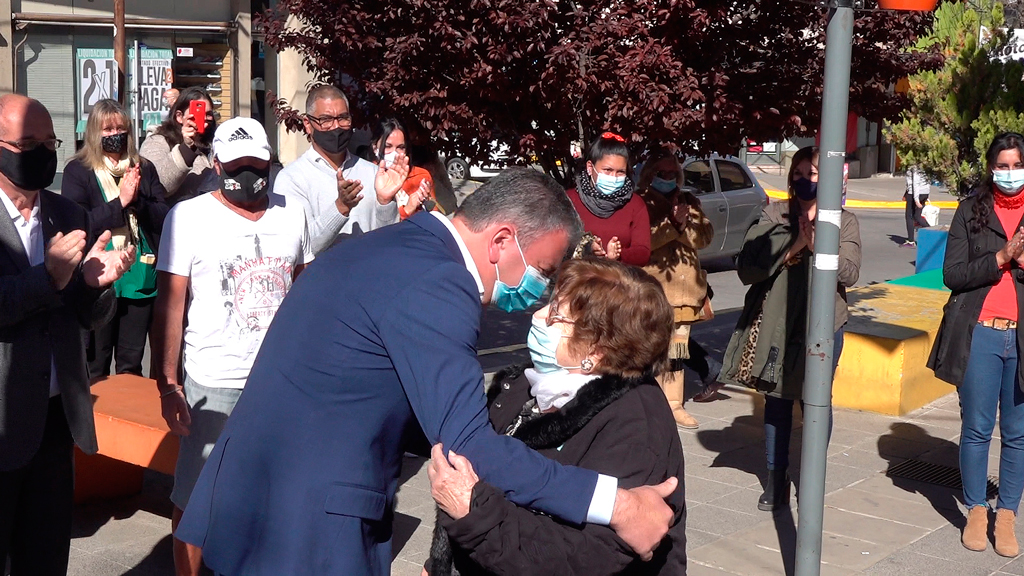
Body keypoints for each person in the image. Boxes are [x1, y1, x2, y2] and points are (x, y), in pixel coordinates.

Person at [175, 168, 677, 575]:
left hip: (255, 497)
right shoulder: (438, 283)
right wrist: (617, 504)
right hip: (304, 526)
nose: (538, 295)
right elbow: (468, 444)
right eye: (543, 271)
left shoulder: (397, 247)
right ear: (502, 240)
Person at [425, 257, 687, 576]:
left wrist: (474, 514)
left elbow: (585, 558)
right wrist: (439, 564)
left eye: (556, 316)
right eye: (549, 304)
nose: (537, 316)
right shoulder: (524, 382)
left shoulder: (636, 422)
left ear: (596, 352)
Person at [150, 117, 313, 576]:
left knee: (274, 492)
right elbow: (170, 307)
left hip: (280, 384)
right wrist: (167, 384)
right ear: (216, 163)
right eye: (238, 165)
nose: (248, 175)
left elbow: (304, 295)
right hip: (214, 383)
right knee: (196, 498)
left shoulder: (292, 213)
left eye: (257, 164)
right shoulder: (189, 217)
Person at [0, 94, 134, 575]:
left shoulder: (67, 214)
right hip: (3, 417)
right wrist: (49, 277)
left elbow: (86, 317)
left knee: (47, 556)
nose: (40, 152)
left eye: (48, 142)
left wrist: (97, 287)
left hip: (57, 420)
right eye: (26, 143)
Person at [718, 146, 861, 512]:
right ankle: (775, 476)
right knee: (777, 400)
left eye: (810, 174)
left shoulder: (842, 221)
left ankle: (811, 476)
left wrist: (820, 247)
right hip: (778, 324)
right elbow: (749, 268)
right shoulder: (773, 213)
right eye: (796, 173)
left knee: (815, 402)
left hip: (823, 325)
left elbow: (850, 273)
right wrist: (795, 243)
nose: (802, 180)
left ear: (826, 179)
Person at [928, 132, 1024, 557]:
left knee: (1019, 434)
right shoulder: (971, 210)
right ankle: (976, 511)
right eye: (1001, 166)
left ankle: (1007, 516)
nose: (1008, 173)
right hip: (981, 331)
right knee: (978, 429)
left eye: (1015, 165)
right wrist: (1001, 258)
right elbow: (953, 274)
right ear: (990, 168)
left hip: (1021, 338)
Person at [62, 99, 169, 379]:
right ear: (94, 133)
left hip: (138, 273)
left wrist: (137, 202)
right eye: (107, 129)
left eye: (120, 128)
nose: (114, 135)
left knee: (131, 365)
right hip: (98, 275)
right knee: (96, 364)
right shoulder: (78, 171)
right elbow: (78, 223)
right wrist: (120, 202)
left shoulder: (143, 168)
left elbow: (163, 216)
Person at [635, 149, 716, 429]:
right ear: (649, 175)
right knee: (652, 352)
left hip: (685, 294)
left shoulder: (689, 201)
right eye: (662, 173)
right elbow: (645, 241)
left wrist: (684, 224)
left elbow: (704, 236)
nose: (668, 178)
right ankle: (649, 405)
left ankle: (674, 405)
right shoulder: (640, 202)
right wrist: (672, 224)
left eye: (673, 174)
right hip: (653, 292)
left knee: (677, 352)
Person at [275, 85, 405, 254]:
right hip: (324, 279)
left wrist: (386, 203)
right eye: (326, 120)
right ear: (308, 124)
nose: (336, 127)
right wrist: (340, 207)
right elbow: (301, 249)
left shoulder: (372, 173)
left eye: (343, 118)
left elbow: (388, 241)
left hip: (370, 276)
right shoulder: (291, 179)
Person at [566, 132, 651, 266]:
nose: (614, 177)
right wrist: (586, 249)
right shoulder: (569, 200)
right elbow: (554, 243)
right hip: (576, 282)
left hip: (619, 282)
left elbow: (643, 253)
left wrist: (618, 255)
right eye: (607, 170)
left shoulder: (635, 204)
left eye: (620, 172)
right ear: (590, 167)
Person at [139, 87, 216, 205]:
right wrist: (187, 149)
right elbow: (158, 185)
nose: (205, 121)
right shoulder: (157, 142)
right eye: (198, 114)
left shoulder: (217, 143)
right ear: (179, 116)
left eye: (209, 115)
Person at [372, 117, 440, 220]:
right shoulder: (366, 176)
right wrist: (407, 210)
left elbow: (434, 219)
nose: (395, 153)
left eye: (401, 147)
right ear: (375, 147)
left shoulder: (421, 176)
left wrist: (427, 205)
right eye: (388, 146)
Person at [903, 165, 930, 247]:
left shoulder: (914, 167)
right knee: (917, 216)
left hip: (915, 194)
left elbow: (915, 183)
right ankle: (932, 232)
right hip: (923, 193)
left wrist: (916, 199)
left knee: (909, 216)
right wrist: (905, 194)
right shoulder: (924, 165)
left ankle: (911, 241)